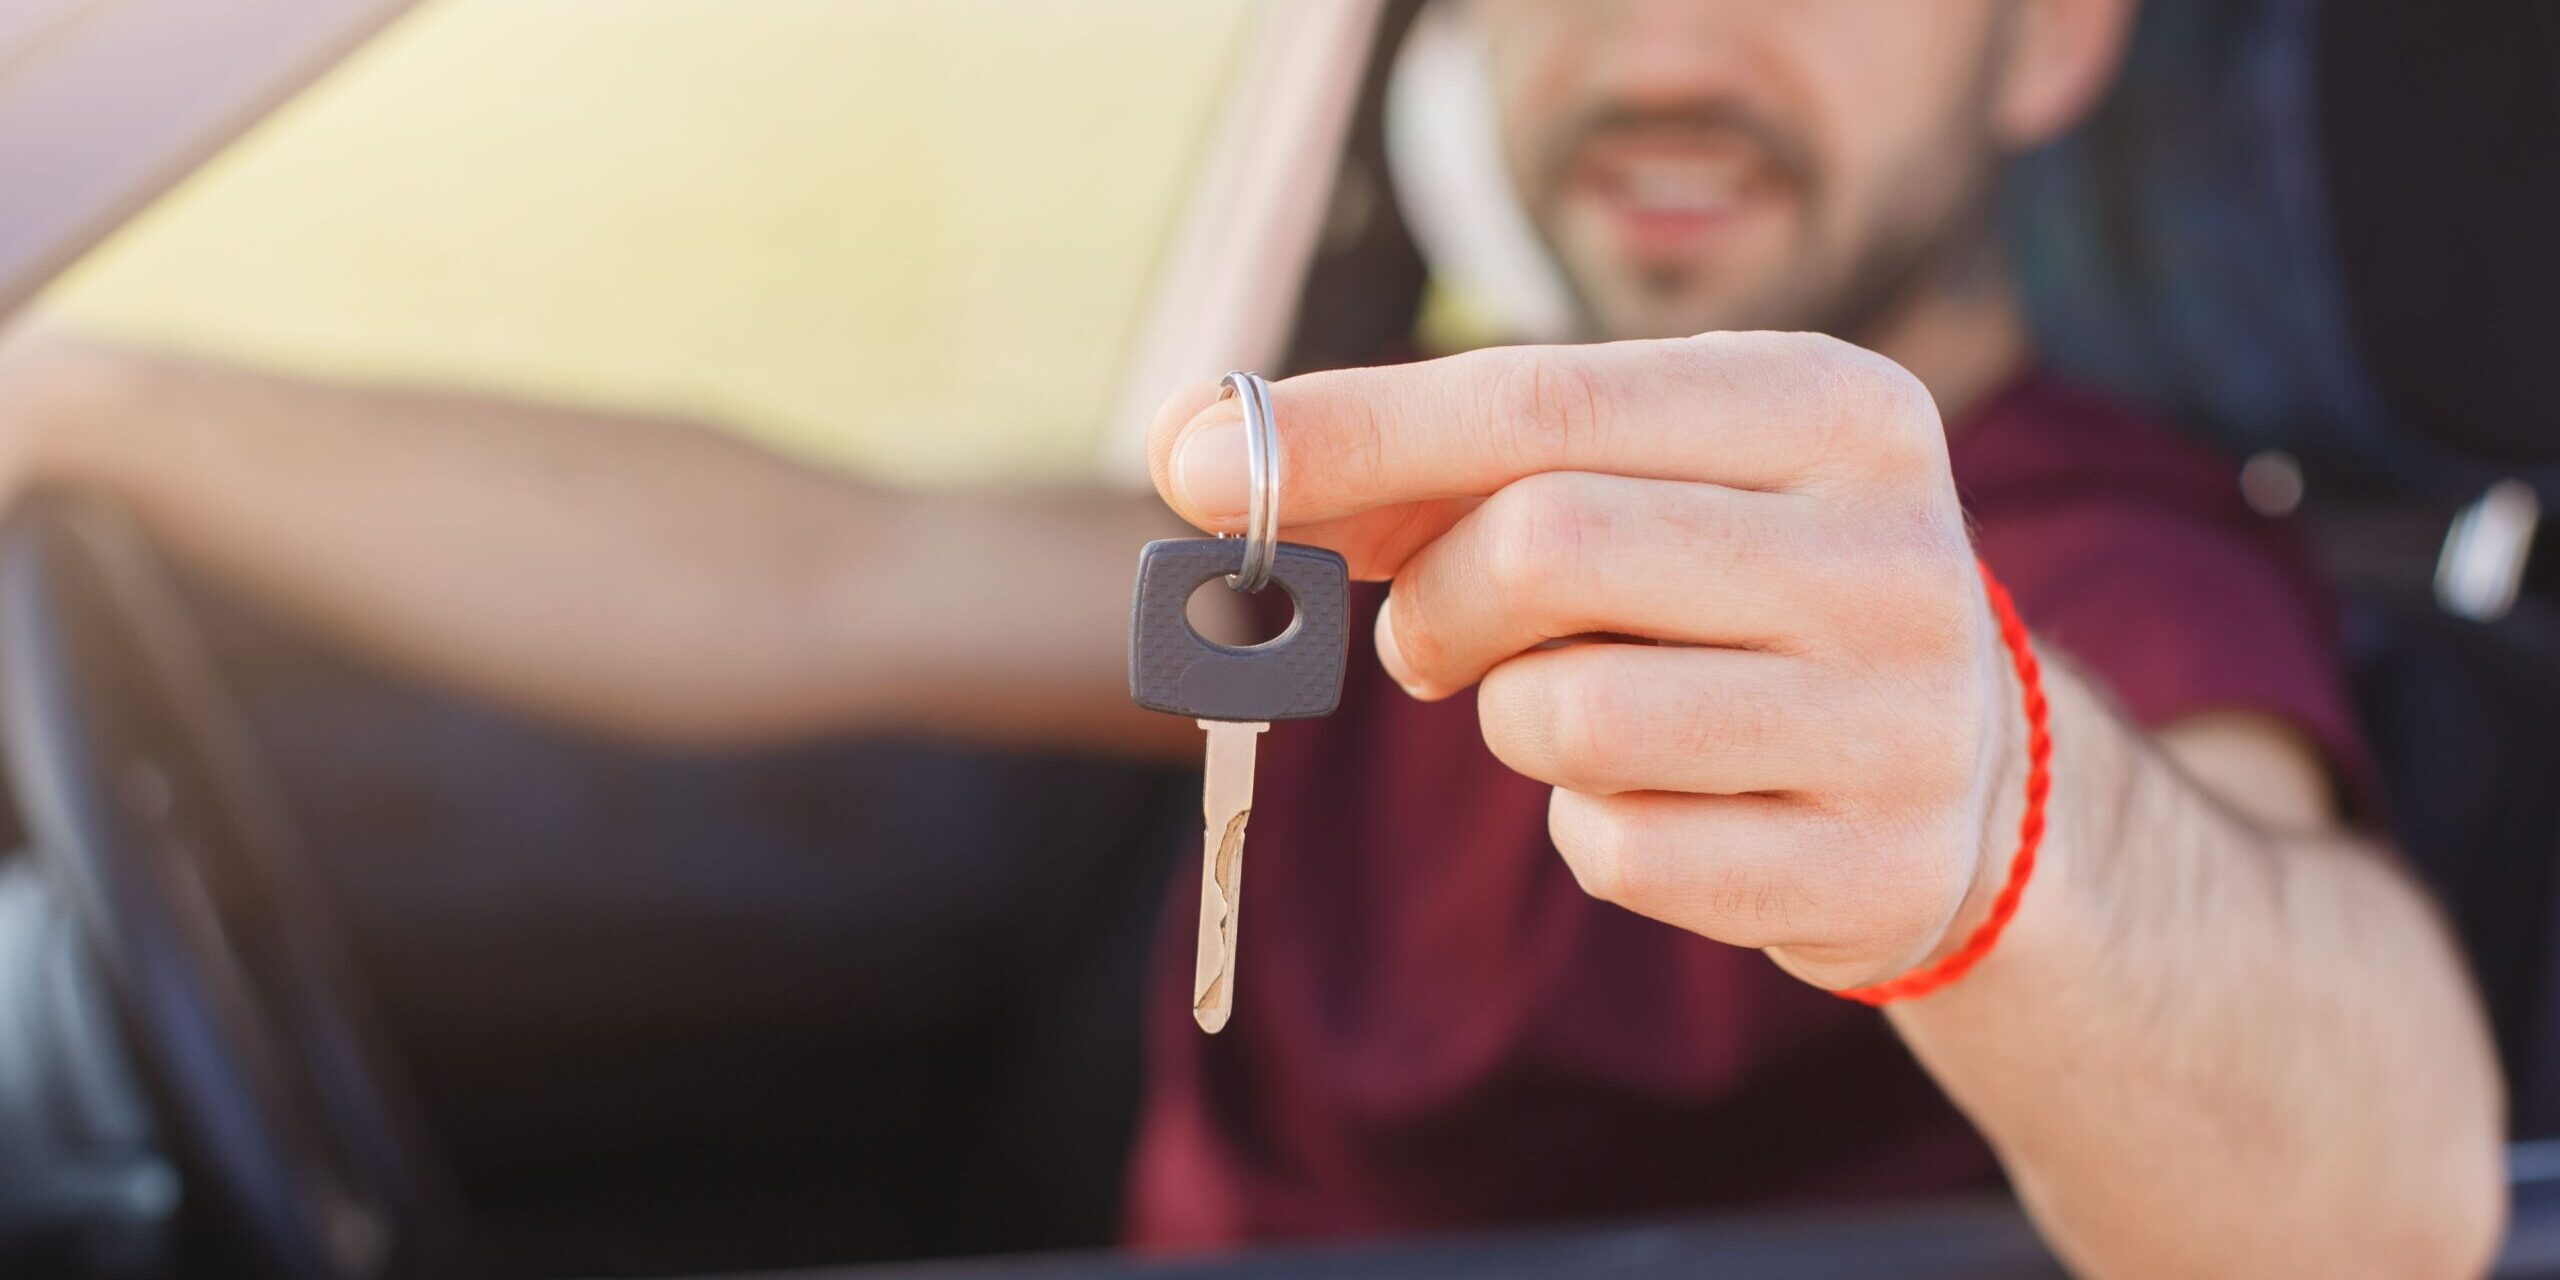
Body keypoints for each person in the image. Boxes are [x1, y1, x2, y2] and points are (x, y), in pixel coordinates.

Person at [0, 0, 2506, 1273]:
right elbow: (807, 575)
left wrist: (1998, 816)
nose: (1660, 49)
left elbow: (2378, 1194)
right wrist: (89, 399)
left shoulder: (2094, 567)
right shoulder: (1382, 498)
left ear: (2046, 40)